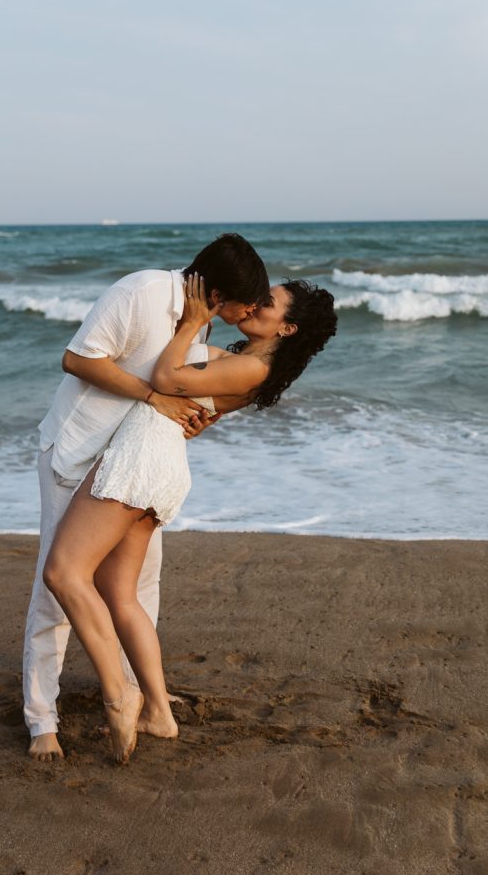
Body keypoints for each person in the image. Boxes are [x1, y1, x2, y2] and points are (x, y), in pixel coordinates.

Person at [43, 275, 337, 763]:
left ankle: (120, 697)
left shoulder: (250, 370)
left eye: (270, 303)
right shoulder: (246, 363)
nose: (258, 305)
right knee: (119, 593)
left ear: (287, 328)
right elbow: (195, 397)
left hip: (142, 456)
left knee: (63, 572)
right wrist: (198, 333)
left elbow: (165, 378)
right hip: (160, 462)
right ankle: (159, 711)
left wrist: (193, 321)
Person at [23, 233, 271, 760]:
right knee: (56, 588)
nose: (252, 311)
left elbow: (189, 383)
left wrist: (197, 416)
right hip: (77, 452)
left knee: (139, 583)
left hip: (130, 467)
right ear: (219, 293)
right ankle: (42, 719)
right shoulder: (142, 291)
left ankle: (144, 693)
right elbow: (76, 360)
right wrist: (154, 397)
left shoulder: (197, 318)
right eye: (248, 301)